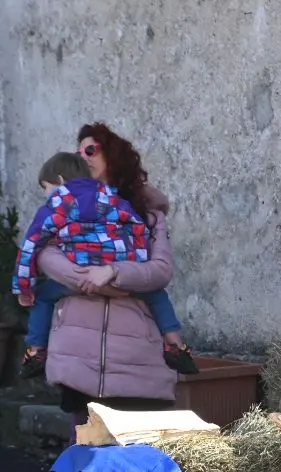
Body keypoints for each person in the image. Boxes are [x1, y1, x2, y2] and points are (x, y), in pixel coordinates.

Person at [14, 148, 195, 378]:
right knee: (158, 296)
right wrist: (133, 268)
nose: (46, 195)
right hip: (118, 274)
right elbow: (137, 229)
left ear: (59, 181)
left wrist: (24, 288)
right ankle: (176, 345)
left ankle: (36, 350)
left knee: (43, 297)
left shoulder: (55, 205)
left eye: (46, 188)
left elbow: (30, 246)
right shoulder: (113, 198)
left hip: (78, 275)